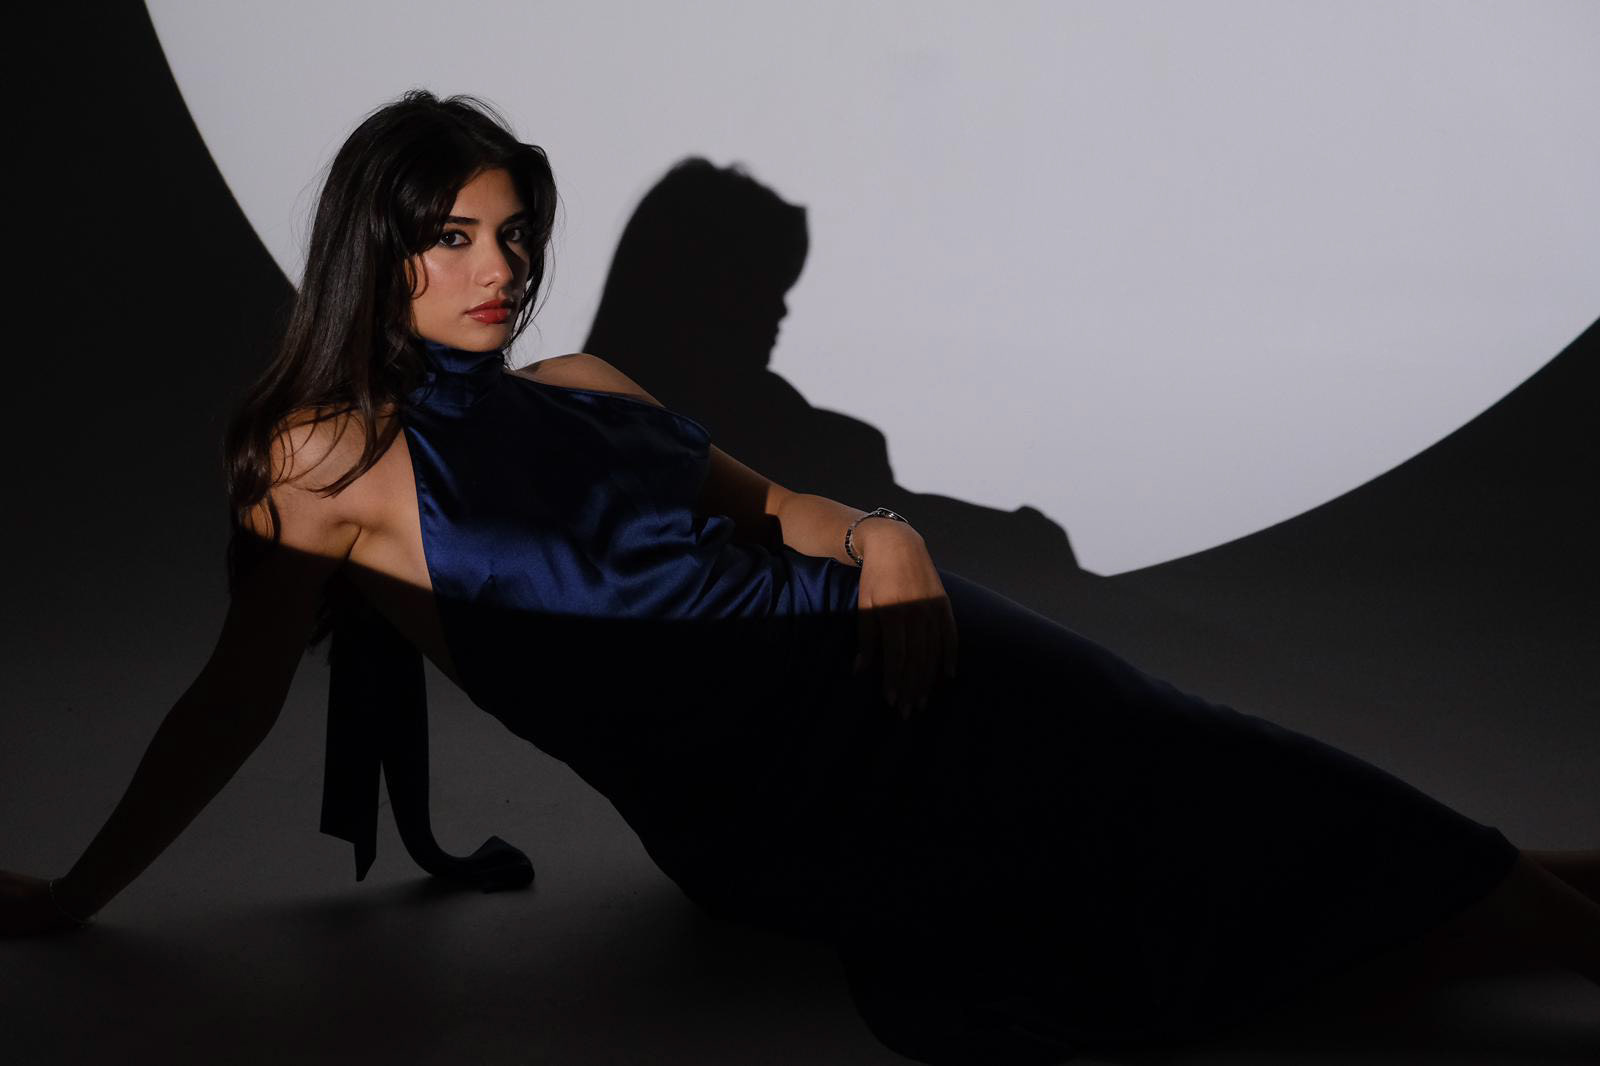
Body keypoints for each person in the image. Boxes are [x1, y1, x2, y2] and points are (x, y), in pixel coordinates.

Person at [2, 89, 1596, 1063]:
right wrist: (80, 892)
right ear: (379, 244)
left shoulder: (583, 385)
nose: (504, 270)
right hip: (792, 803)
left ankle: (1548, 900)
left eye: (517, 234)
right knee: (1197, 857)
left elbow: (786, 508)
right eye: (459, 237)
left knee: (1231, 780)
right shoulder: (316, 465)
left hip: (913, 661)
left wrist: (883, 530)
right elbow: (229, 700)